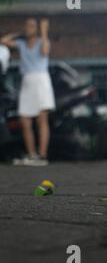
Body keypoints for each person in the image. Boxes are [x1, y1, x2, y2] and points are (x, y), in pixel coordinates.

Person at [1, 18, 55, 166]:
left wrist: (44, 32)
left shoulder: (42, 41)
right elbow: (3, 41)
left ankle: (42, 155)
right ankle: (32, 154)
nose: (28, 27)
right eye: (26, 25)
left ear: (37, 28)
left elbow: (44, 52)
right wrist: (18, 34)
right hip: (26, 81)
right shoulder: (22, 44)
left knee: (41, 119)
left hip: (41, 80)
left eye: (31, 25)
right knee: (24, 119)